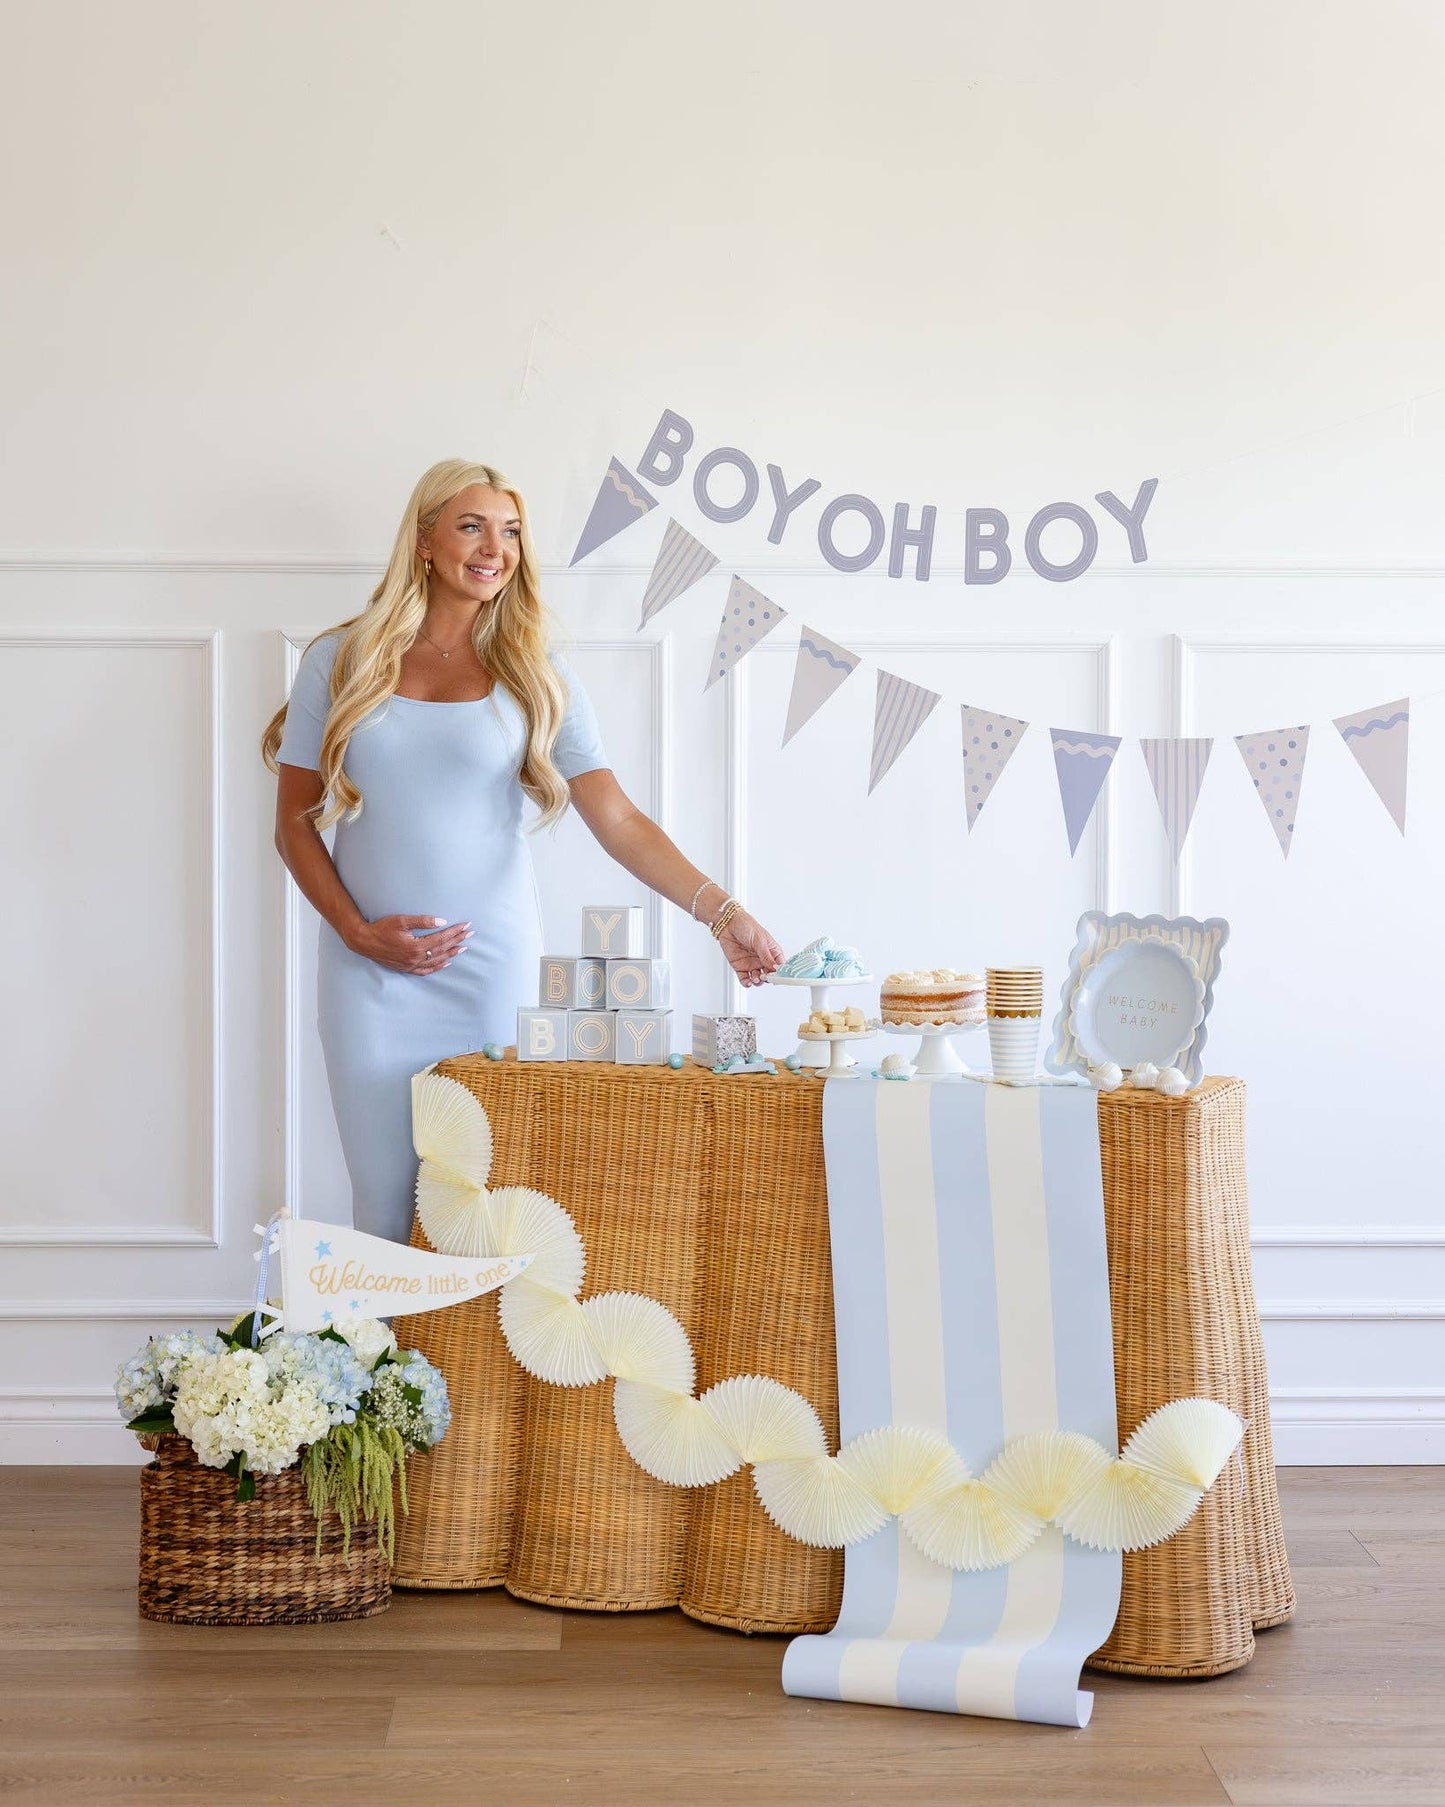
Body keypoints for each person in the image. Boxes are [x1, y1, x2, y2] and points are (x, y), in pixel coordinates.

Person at [262, 457, 784, 1244]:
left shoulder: (535, 673)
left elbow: (618, 820)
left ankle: (467, 1374)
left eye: (509, 531)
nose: (494, 547)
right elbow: (293, 823)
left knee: (482, 1217)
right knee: (382, 1213)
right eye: (471, 524)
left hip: (489, 976)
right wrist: (357, 932)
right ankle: (389, 1372)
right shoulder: (340, 660)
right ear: (425, 539)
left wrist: (724, 913)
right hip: (367, 976)